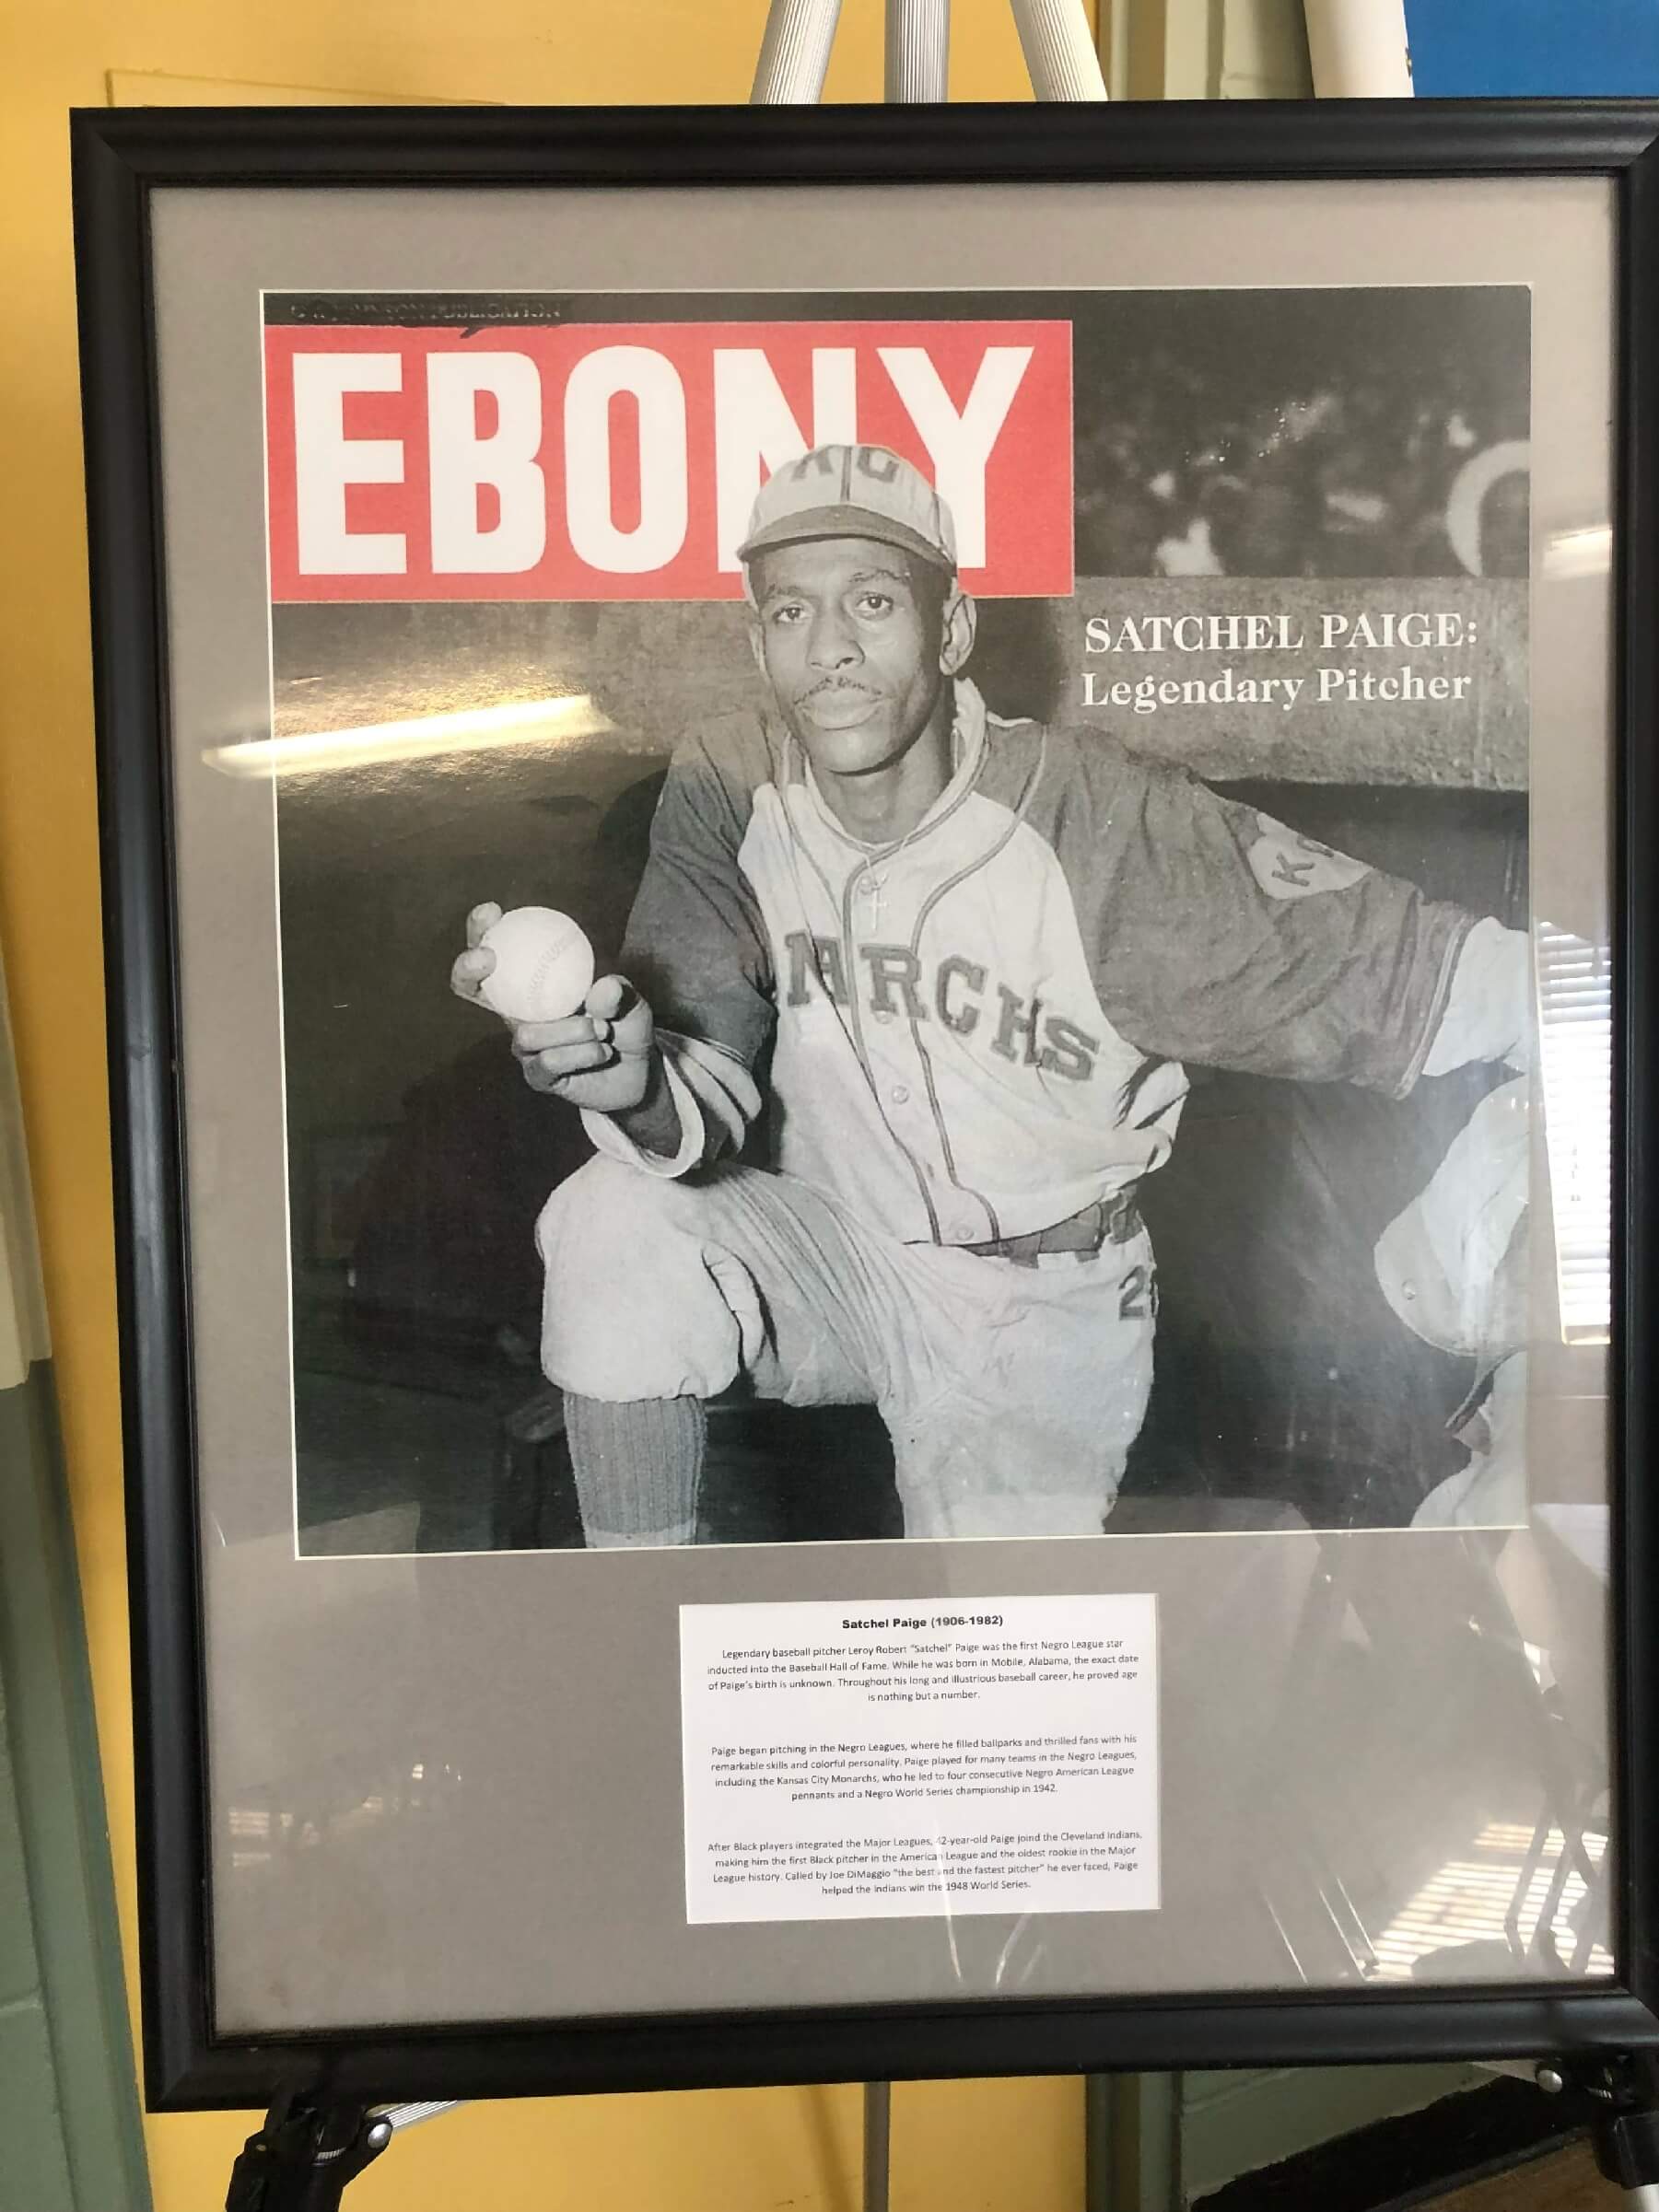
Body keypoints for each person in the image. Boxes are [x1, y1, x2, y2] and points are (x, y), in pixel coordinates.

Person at [452, 442, 1529, 1548]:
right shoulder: (731, 782)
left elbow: (1448, 978)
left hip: (1043, 1308)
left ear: (952, 628)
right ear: (756, 643)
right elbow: (700, 1074)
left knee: (989, 1671)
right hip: (839, 1254)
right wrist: (631, 1085)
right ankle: (644, 1638)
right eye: (790, 612)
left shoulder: (1094, 821)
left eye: (873, 601)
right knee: (611, 1216)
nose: (830, 649)